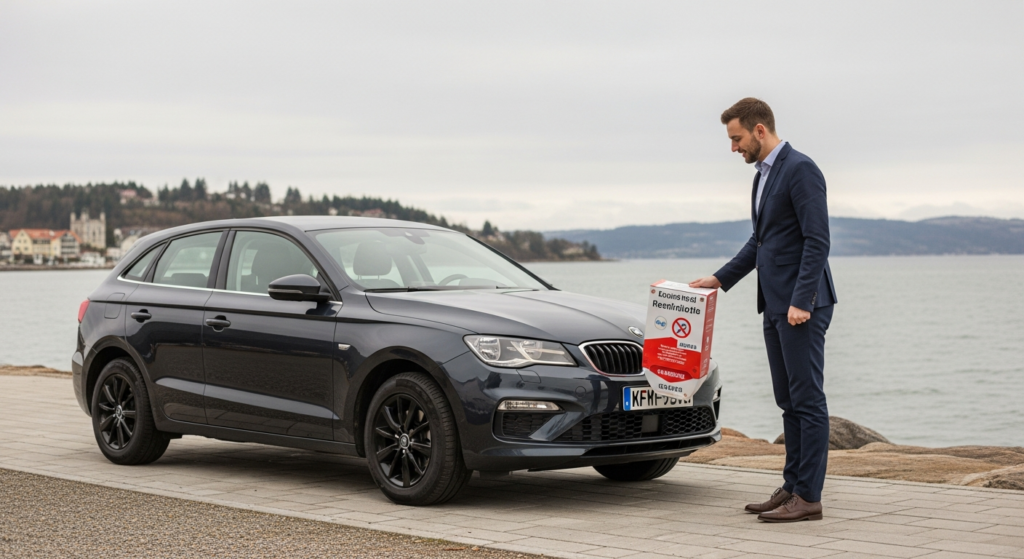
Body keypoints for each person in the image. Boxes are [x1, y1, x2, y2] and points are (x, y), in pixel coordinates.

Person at [690, 98, 837, 523]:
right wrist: (719, 279)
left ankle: (809, 497)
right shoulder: (763, 176)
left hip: (800, 308)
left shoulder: (801, 169)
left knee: (807, 401)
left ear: (759, 131)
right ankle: (792, 486)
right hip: (774, 305)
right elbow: (761, 242)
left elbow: (818, 240)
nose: (733, 147)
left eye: (736, 138)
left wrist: (801, 300)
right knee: (788, 400)